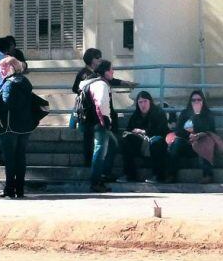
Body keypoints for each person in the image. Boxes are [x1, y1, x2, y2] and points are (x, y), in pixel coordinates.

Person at [72, 48, 138, 167]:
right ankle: (93, 168)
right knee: (96, 142)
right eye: (97, 57)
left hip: (98, 113)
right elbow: (76, 88)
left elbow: (110, 79)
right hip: (92, 114)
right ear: (91, 60)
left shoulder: (98, 73)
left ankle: (98, 168)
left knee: (103, 142)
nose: (100, 59)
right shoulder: (85, 73)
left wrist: (126, 83)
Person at [0, 56, 34, 198]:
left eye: (3, 67)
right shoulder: (24, 81)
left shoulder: (10, 83)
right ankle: (20, 189)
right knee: (20, 158)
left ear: (10, 67)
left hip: (9, 127)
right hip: (24, 126)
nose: (0, 71)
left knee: (10, 159)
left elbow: (6, 104)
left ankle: (9, 189)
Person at [79, 60, 119, 192]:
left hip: (92, 121)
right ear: (105, 71)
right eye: (111, 69)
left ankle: (104, 174)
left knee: (112, 143)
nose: (113, 72)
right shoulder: (101, 84)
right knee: (100, 150)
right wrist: (105, 121)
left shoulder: (93, 82)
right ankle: (96, 182)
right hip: (99, 122)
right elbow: (100, 103)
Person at [169, 91, 222, 184]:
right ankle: (171, 174)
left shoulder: (207, 114)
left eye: (199, 100)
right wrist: (189, 135)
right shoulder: (185, 113)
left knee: (207, 142)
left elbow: (211, 131)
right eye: (194, 100)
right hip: (187, 143)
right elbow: (178, 131)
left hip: (201, 143)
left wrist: (198, 135)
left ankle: (208, 175)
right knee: (176, 143)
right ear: (190, 102)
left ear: (203, 101)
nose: (196, 102)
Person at [121, 91, 170, 183]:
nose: (143, 104)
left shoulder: (158, 112)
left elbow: (162, 130)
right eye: (140, 102)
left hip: (156, 141)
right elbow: (128, 130)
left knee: (157, 142)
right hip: (141, 143)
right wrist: (132, 134)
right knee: (126, 141)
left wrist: (144, 132)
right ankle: (129, 175)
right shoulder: (136, 115)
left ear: (150, 102)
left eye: (145, 101)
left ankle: (158, 176)